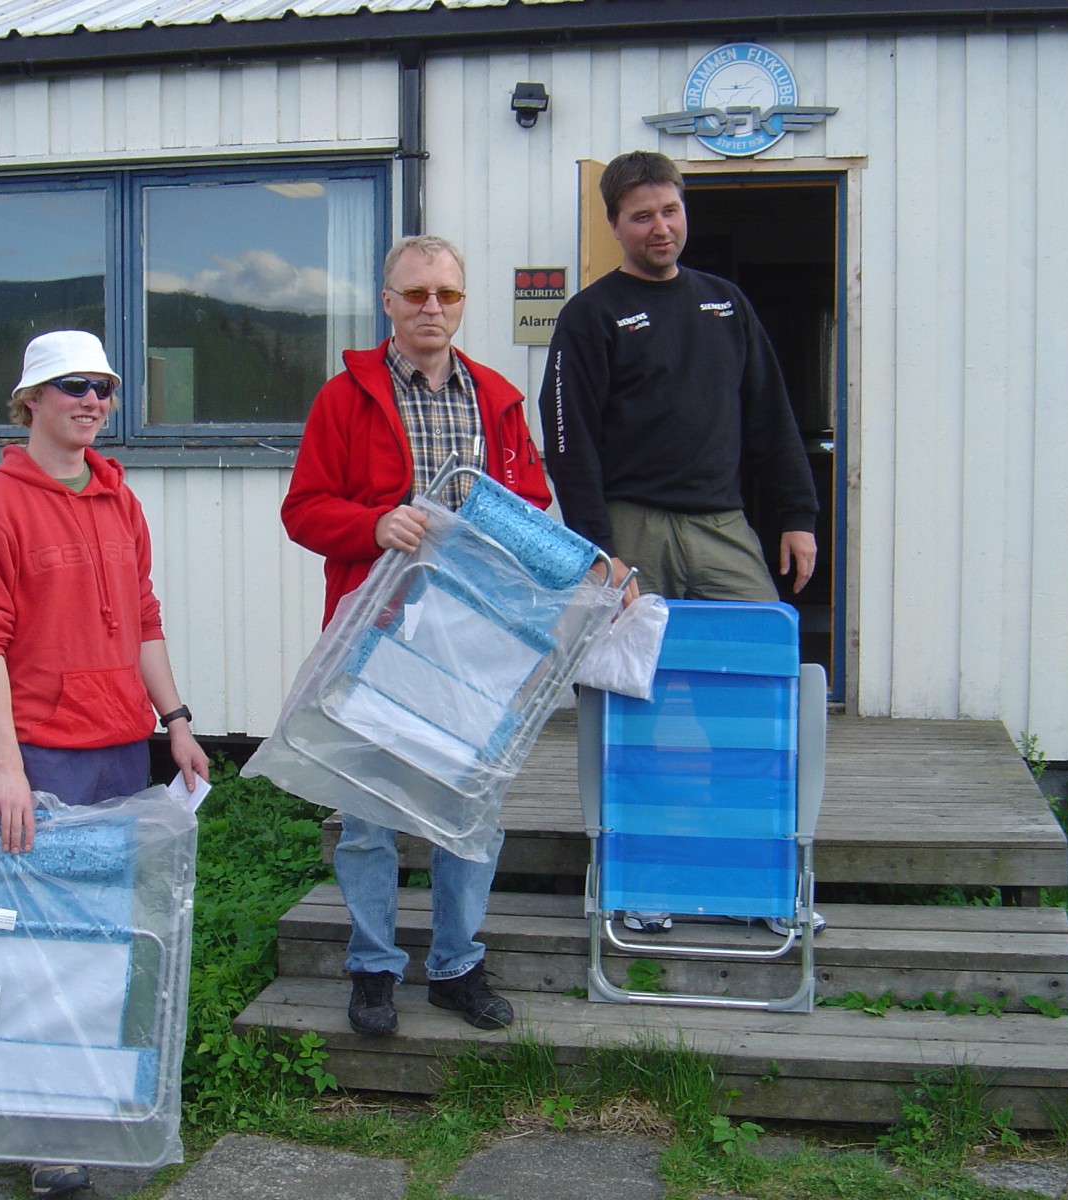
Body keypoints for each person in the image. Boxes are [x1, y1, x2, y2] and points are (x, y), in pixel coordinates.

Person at [0, 329, 209, 1198]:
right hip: (41, 760)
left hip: (119, 754)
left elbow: (143, 617)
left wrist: (175, 721)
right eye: (72, 387)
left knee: (101, 937)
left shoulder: (119, 499)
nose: (93, 401)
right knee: (33, 945)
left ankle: (90, 1095)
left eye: (103, 386)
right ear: (30, 401)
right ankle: (42, 1130)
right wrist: (8, 768)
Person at [539, 150, 824, 938]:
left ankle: (763, 881)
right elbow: (567, 443)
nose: (659, 227)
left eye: (669, 210)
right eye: (641, 216)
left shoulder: (724, 304)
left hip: (721, 524)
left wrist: (797, 513)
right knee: (639, 705)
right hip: (630, 527)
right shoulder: (590, 315)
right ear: (614, 224)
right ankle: (645, 877)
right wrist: (600, 552)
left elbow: (771, 415)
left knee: (759, 689)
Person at [281, 234, 551, 1036]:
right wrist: (373, 525)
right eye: (417, 294)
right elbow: (303, 510)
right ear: (388, 303)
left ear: (462, 303)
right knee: (368, 818)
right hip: (375, 637)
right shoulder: (343, 399)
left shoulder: (499, 398)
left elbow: (534, 508)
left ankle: (457, 965)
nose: (433, 307)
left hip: (474, 644)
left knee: (471, 809)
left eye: (448, 294)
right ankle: (373, 967)